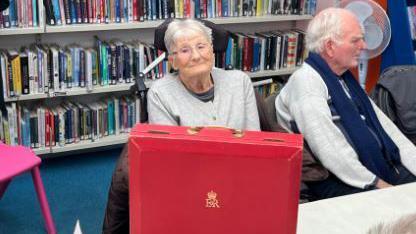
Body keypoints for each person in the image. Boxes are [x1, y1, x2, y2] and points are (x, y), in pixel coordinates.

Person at [103, 18, 260, 233]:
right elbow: (173, 162)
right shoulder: (160, 93)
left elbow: (256, 144)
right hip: (189, 186)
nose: (196, 55)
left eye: (201, 46)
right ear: (173, 61)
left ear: (212, 51)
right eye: (185, 50)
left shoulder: (239, 82)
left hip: (239, 181)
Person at [275, 7, 416, 200]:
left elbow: (388, 129)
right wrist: (378, 184)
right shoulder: (307, 82)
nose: (364, 45)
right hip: (343, 178)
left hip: (378, 164)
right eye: (355, 40)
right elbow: (330, 149)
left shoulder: (344, 80)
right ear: (330, 46)